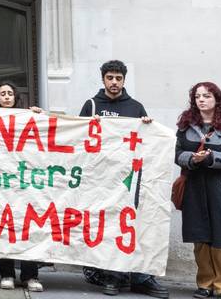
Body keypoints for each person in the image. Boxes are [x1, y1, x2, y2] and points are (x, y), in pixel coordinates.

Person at [77, 60, 167, 298]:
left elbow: (148, 143)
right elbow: (78, 138)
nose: (114, 82)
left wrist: (148, 125)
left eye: (118, 78)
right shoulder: (92, 105)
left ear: (124, 80)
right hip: (101, 178)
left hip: (130, 179)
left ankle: (140, 276)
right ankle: (112, 277)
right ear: (103, 79)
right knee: (107, 226)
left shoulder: (136, 107)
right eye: (110, 78)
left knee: (131, 226)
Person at [175, 82, 221, 299]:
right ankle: (205, 283)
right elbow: (176, 154)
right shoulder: (185, 127)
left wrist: (212, 158)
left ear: (216, 99)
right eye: (197, 96)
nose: (201, 100)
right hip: (195, 190)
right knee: (201, 240)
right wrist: (192, 159)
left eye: (206, 96)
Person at [0, 82, 45, 292]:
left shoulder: (27, 117)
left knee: (28, 228)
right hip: (0, 187)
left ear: (15, 96)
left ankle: (30, 276)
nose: (7, 97)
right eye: (2, 94)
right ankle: (7, 274)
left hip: (26, 185)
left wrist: (39, 115)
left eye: (10, 93)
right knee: (3, 229)